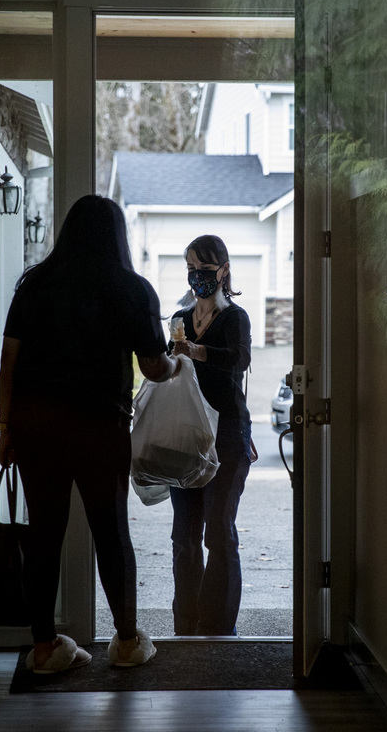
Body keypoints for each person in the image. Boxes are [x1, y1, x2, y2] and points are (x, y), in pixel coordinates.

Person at [0, 195, 178, 673]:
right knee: (111, 531)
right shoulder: (132, 289)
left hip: (36, 425)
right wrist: (177, 364)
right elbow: (153, 366)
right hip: (100, 425)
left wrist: (5, 425)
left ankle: (44, 648)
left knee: (43, 533)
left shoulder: (35, 284)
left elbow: (9, 362)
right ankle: (125, 643)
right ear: (117, 236)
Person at [167, 234, 253, 635]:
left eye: (203, 269)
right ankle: (186, 622)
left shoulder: (235, 318)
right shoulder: (179, 319)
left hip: (227, 435)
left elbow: (239, 359)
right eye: (190, 268)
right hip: (187, 434)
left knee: (218, 532)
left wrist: (196, 352)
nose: (196, 276)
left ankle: (218, 627)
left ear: (223, 271)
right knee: (184, 533)